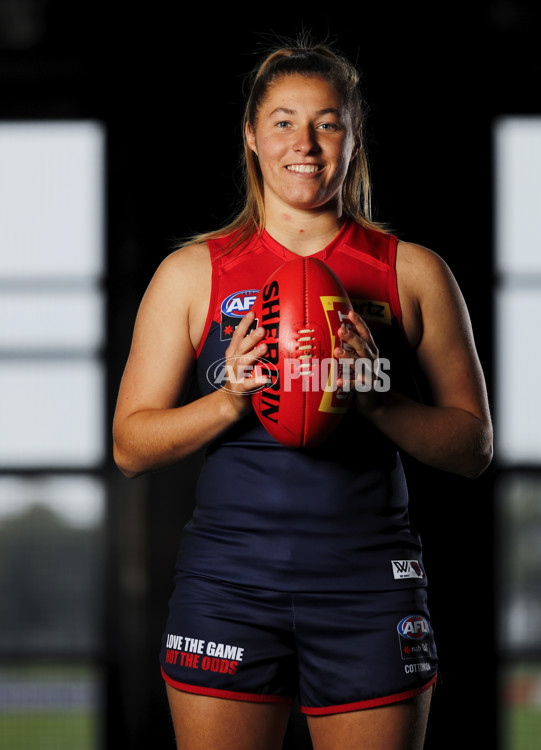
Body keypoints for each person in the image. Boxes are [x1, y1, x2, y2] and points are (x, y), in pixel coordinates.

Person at [113, 40, 493, 750]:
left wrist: (376, 399)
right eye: (284, 121)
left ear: (353, 136)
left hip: (370, 583)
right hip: (229, 582)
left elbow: (473, 446)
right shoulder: (192, 274)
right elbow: (130, 445)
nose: (306, 144)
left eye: (328, 122)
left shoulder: (412, 272)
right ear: (252, 136)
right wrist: (228, 400)